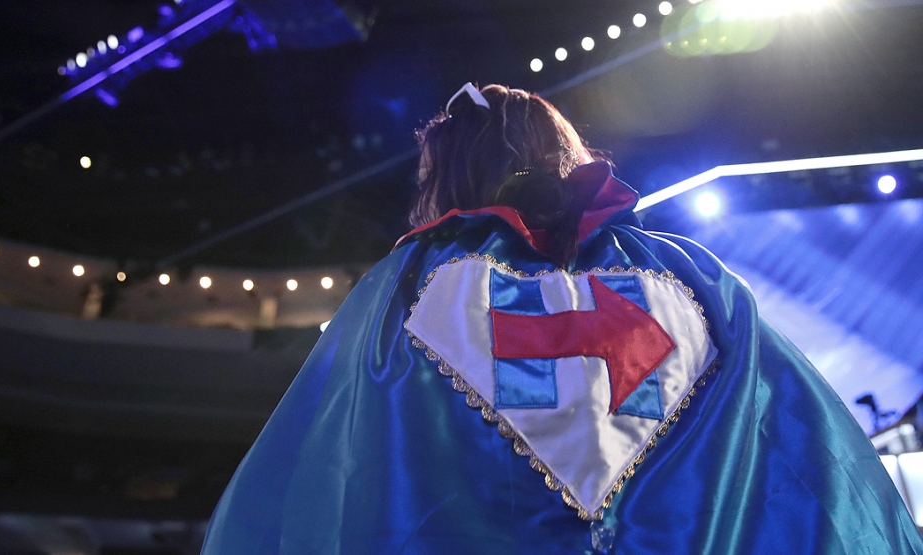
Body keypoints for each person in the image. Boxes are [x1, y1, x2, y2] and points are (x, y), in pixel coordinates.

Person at [201, 83, 922, 554]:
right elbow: (803, 446)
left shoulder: (412, 285)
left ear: (444, 175)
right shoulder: (691, 277)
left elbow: (328, 474)